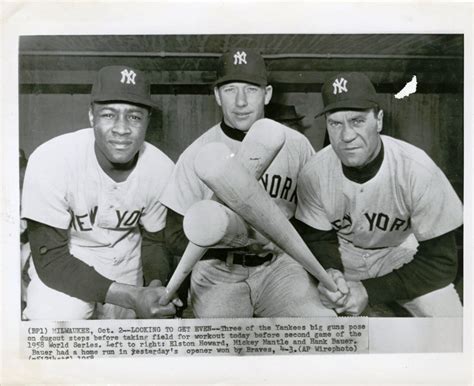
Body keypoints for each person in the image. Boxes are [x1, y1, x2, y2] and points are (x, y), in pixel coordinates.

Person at [161, 48, 336, 318]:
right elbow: (173, 236)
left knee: (319, 327)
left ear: (266, 94)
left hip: (279, 264)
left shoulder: (297, 145)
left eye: (251, 90)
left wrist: (281, 239)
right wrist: (234, 239)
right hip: (218, 270)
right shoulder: (197, 153)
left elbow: (314, 217)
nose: (241, 101)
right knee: (221, 348)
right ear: (217, 96)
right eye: (230, 89)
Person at [295, 72, 463, 316]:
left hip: (400, 252)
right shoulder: (314, 172)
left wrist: (370, 291)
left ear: (379, 121)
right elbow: (317, 238)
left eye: (357, 121)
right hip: (344, 254)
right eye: (335, 123)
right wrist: (329, 271)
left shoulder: (417, 169)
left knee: (452, 320)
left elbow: (442, 263)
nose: (346, 136)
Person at [21, 65, 181, 320]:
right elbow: (51, 259)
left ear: (147, 121)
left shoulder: (161, 169)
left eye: (134, 117)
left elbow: (155, 240)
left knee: (128, 347)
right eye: (108, 115)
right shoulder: (52, 159)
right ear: (91, 116)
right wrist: (130, 296)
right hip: (68, 258)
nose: (121, 128)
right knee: (53, 318)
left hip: (128, 261)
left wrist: (155, 285)